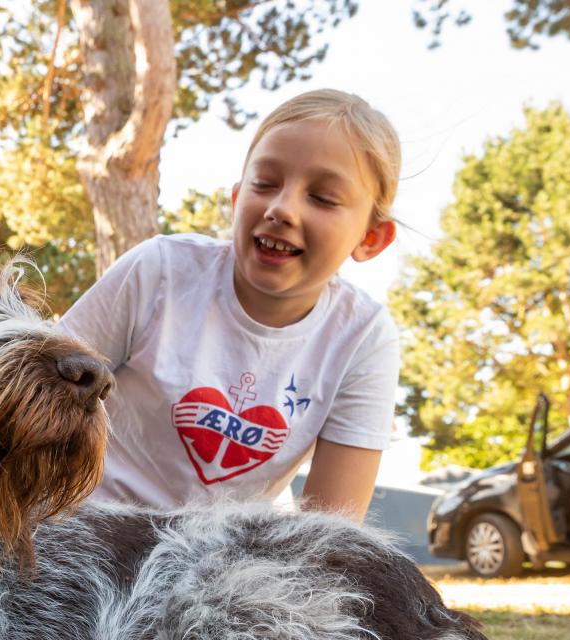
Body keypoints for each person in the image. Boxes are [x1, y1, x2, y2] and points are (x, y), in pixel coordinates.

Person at [53, 89, 402, 517]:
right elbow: (41, 386)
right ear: (237, 201)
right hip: (79, 533)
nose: (281, 208)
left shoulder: (363, 339)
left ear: (371, 239)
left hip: (211, 565)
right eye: (265, 183)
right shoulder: (159, 271)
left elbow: (329, 534)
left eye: (323, 198)